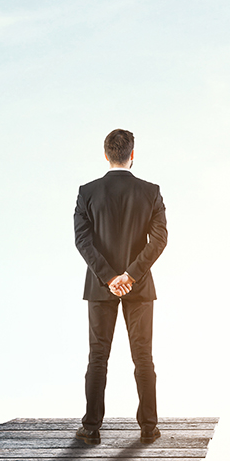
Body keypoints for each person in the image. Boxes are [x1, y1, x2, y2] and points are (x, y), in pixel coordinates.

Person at [73, 129, 167, 443]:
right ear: (132, 155)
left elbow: (82, 241)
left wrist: (110, 277)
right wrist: (131, 275)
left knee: (97, 356)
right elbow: (160, 240)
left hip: (100, 287)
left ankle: (91, 428)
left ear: (106, 155)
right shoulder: (150, 191)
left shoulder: (87, 192)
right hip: (138, 288)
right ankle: (149, 427)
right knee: (143, 357)